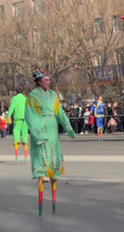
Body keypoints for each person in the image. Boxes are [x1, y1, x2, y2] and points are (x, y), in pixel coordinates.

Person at [24, 69, 76, 216]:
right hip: (41, 124)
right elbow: (30, 114)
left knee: (53, 148)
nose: (48, 82)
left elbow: (59, 112)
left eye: (49, 80)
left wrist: (67, 126)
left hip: (52, 126)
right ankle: (43, 172)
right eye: (45, 80)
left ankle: (53, 171)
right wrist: (37, 130)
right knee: (42, 147)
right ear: (39, 81)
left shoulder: (53, 95)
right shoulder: (32, 97)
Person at [8, 86, 29, 164]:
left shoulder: (15, 99)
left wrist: (9, 115)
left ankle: (16, 140)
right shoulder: (25, 99)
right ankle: (24, 140)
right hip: (25, 117)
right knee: (24, 130)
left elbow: (12, 107)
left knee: (16, 130)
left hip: (17, 117)